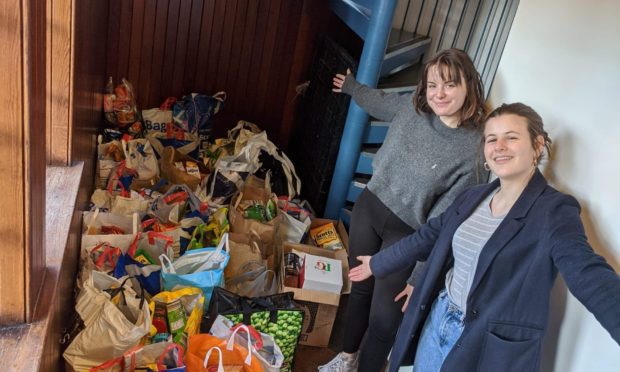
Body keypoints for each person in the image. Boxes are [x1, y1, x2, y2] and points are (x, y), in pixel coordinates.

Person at [349, 102, 620, 372]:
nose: (499, 146)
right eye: (492, 139)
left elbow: (588, 274)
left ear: (537, 146)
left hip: (481, 341)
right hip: (439, 318)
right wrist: (378, 263)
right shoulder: (473, 196)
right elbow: (429, 235)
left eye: (511, 138)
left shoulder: (554, 209)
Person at [319, 49, 489, 372]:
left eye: (449, 85)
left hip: (408, 235)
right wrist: (352, 87)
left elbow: (444, 224)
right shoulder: (413, 108)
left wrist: (418, 276)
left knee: (384, 320)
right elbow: (379, 101)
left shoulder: (472, 151)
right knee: (360, 290)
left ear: (468, 85)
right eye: (432, 85)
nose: (438, 94)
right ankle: (347, 358)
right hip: (369, 208)